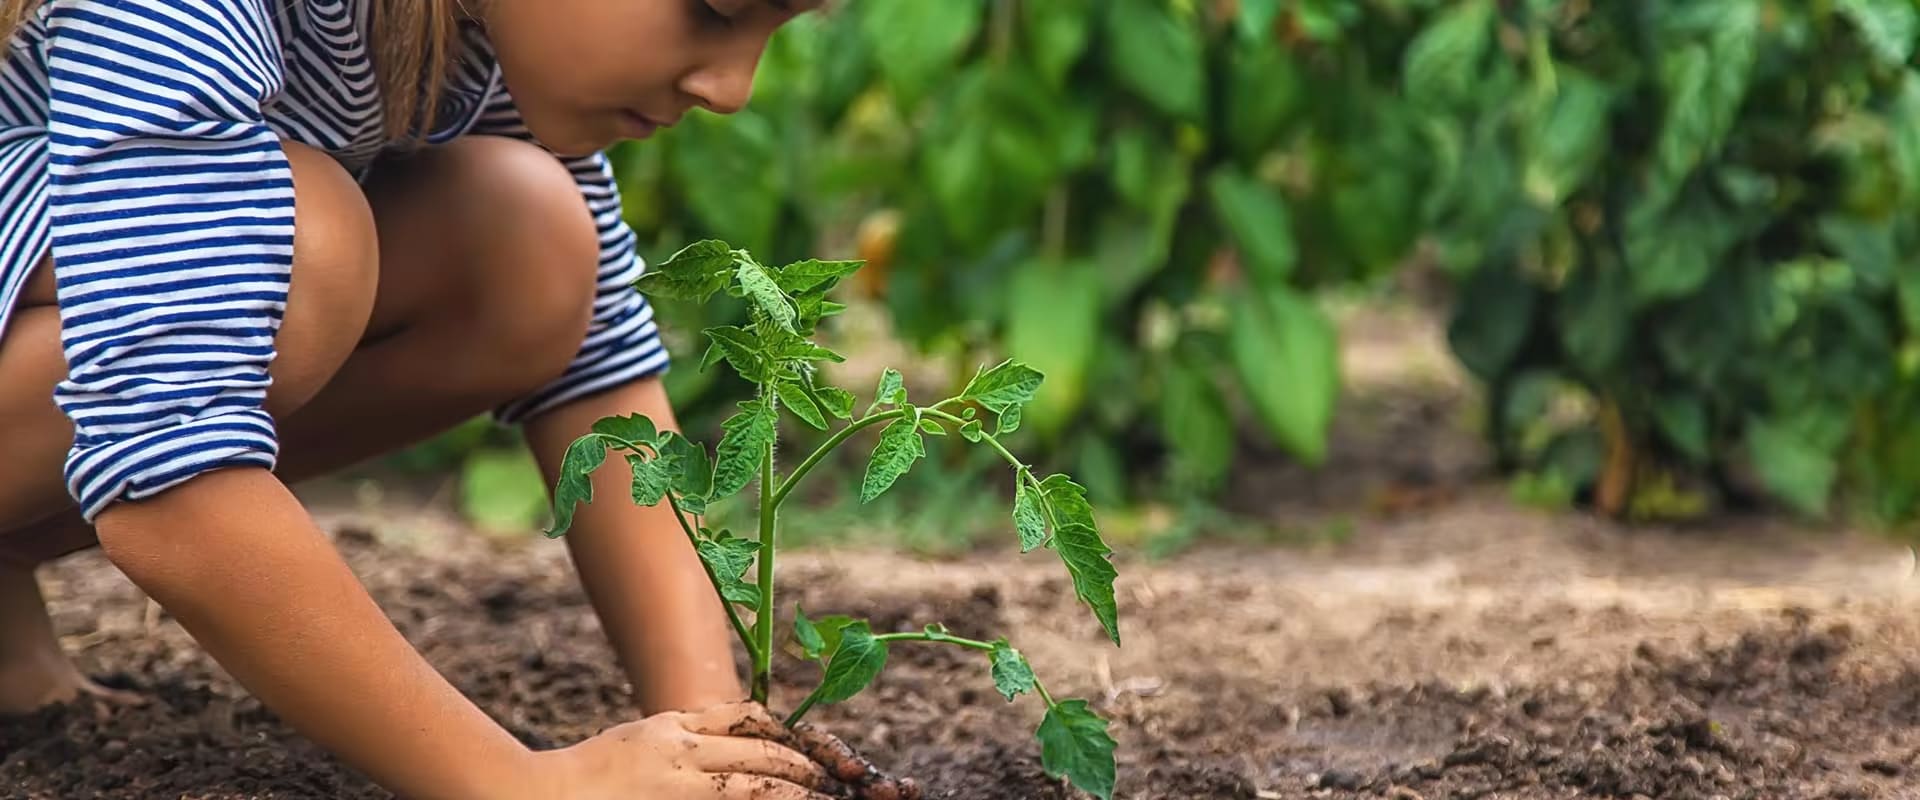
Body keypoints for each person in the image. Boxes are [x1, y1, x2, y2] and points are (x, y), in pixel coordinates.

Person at [0, 1, 838, 797]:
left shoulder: (467, 29)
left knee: (523, 240)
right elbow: (165, 464)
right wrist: (522, 783)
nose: (732, 90)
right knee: (304, 246)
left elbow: (598, 368)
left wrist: (720, 741)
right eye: (715, 12)